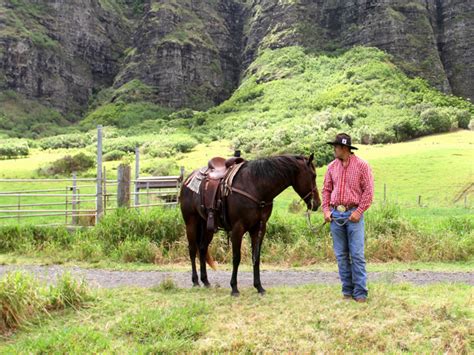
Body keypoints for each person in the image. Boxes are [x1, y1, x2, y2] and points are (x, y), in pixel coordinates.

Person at [322, 133, 374, 302]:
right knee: (341, 255)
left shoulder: (362, 166)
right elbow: (326, 190)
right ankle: (347, 291)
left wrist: (359, 212)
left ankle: (360, 293)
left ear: (344, 148)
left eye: (336, 147)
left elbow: (369, 192)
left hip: (354, 213)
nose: (334, 150)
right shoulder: (331, 167)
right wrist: (326, 210)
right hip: (336, 214)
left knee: (357, 254)